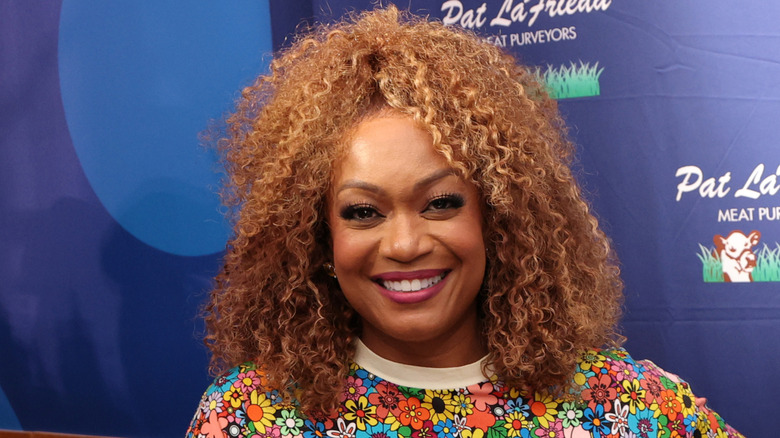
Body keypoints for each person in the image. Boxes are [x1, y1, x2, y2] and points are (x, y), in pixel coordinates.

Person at [186, 6, 742, 438]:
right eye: (362, 212)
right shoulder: (252, 417)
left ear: (497, 219)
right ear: (319, 241)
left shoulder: (628, 408)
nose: (404, 244)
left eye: (441, 203)